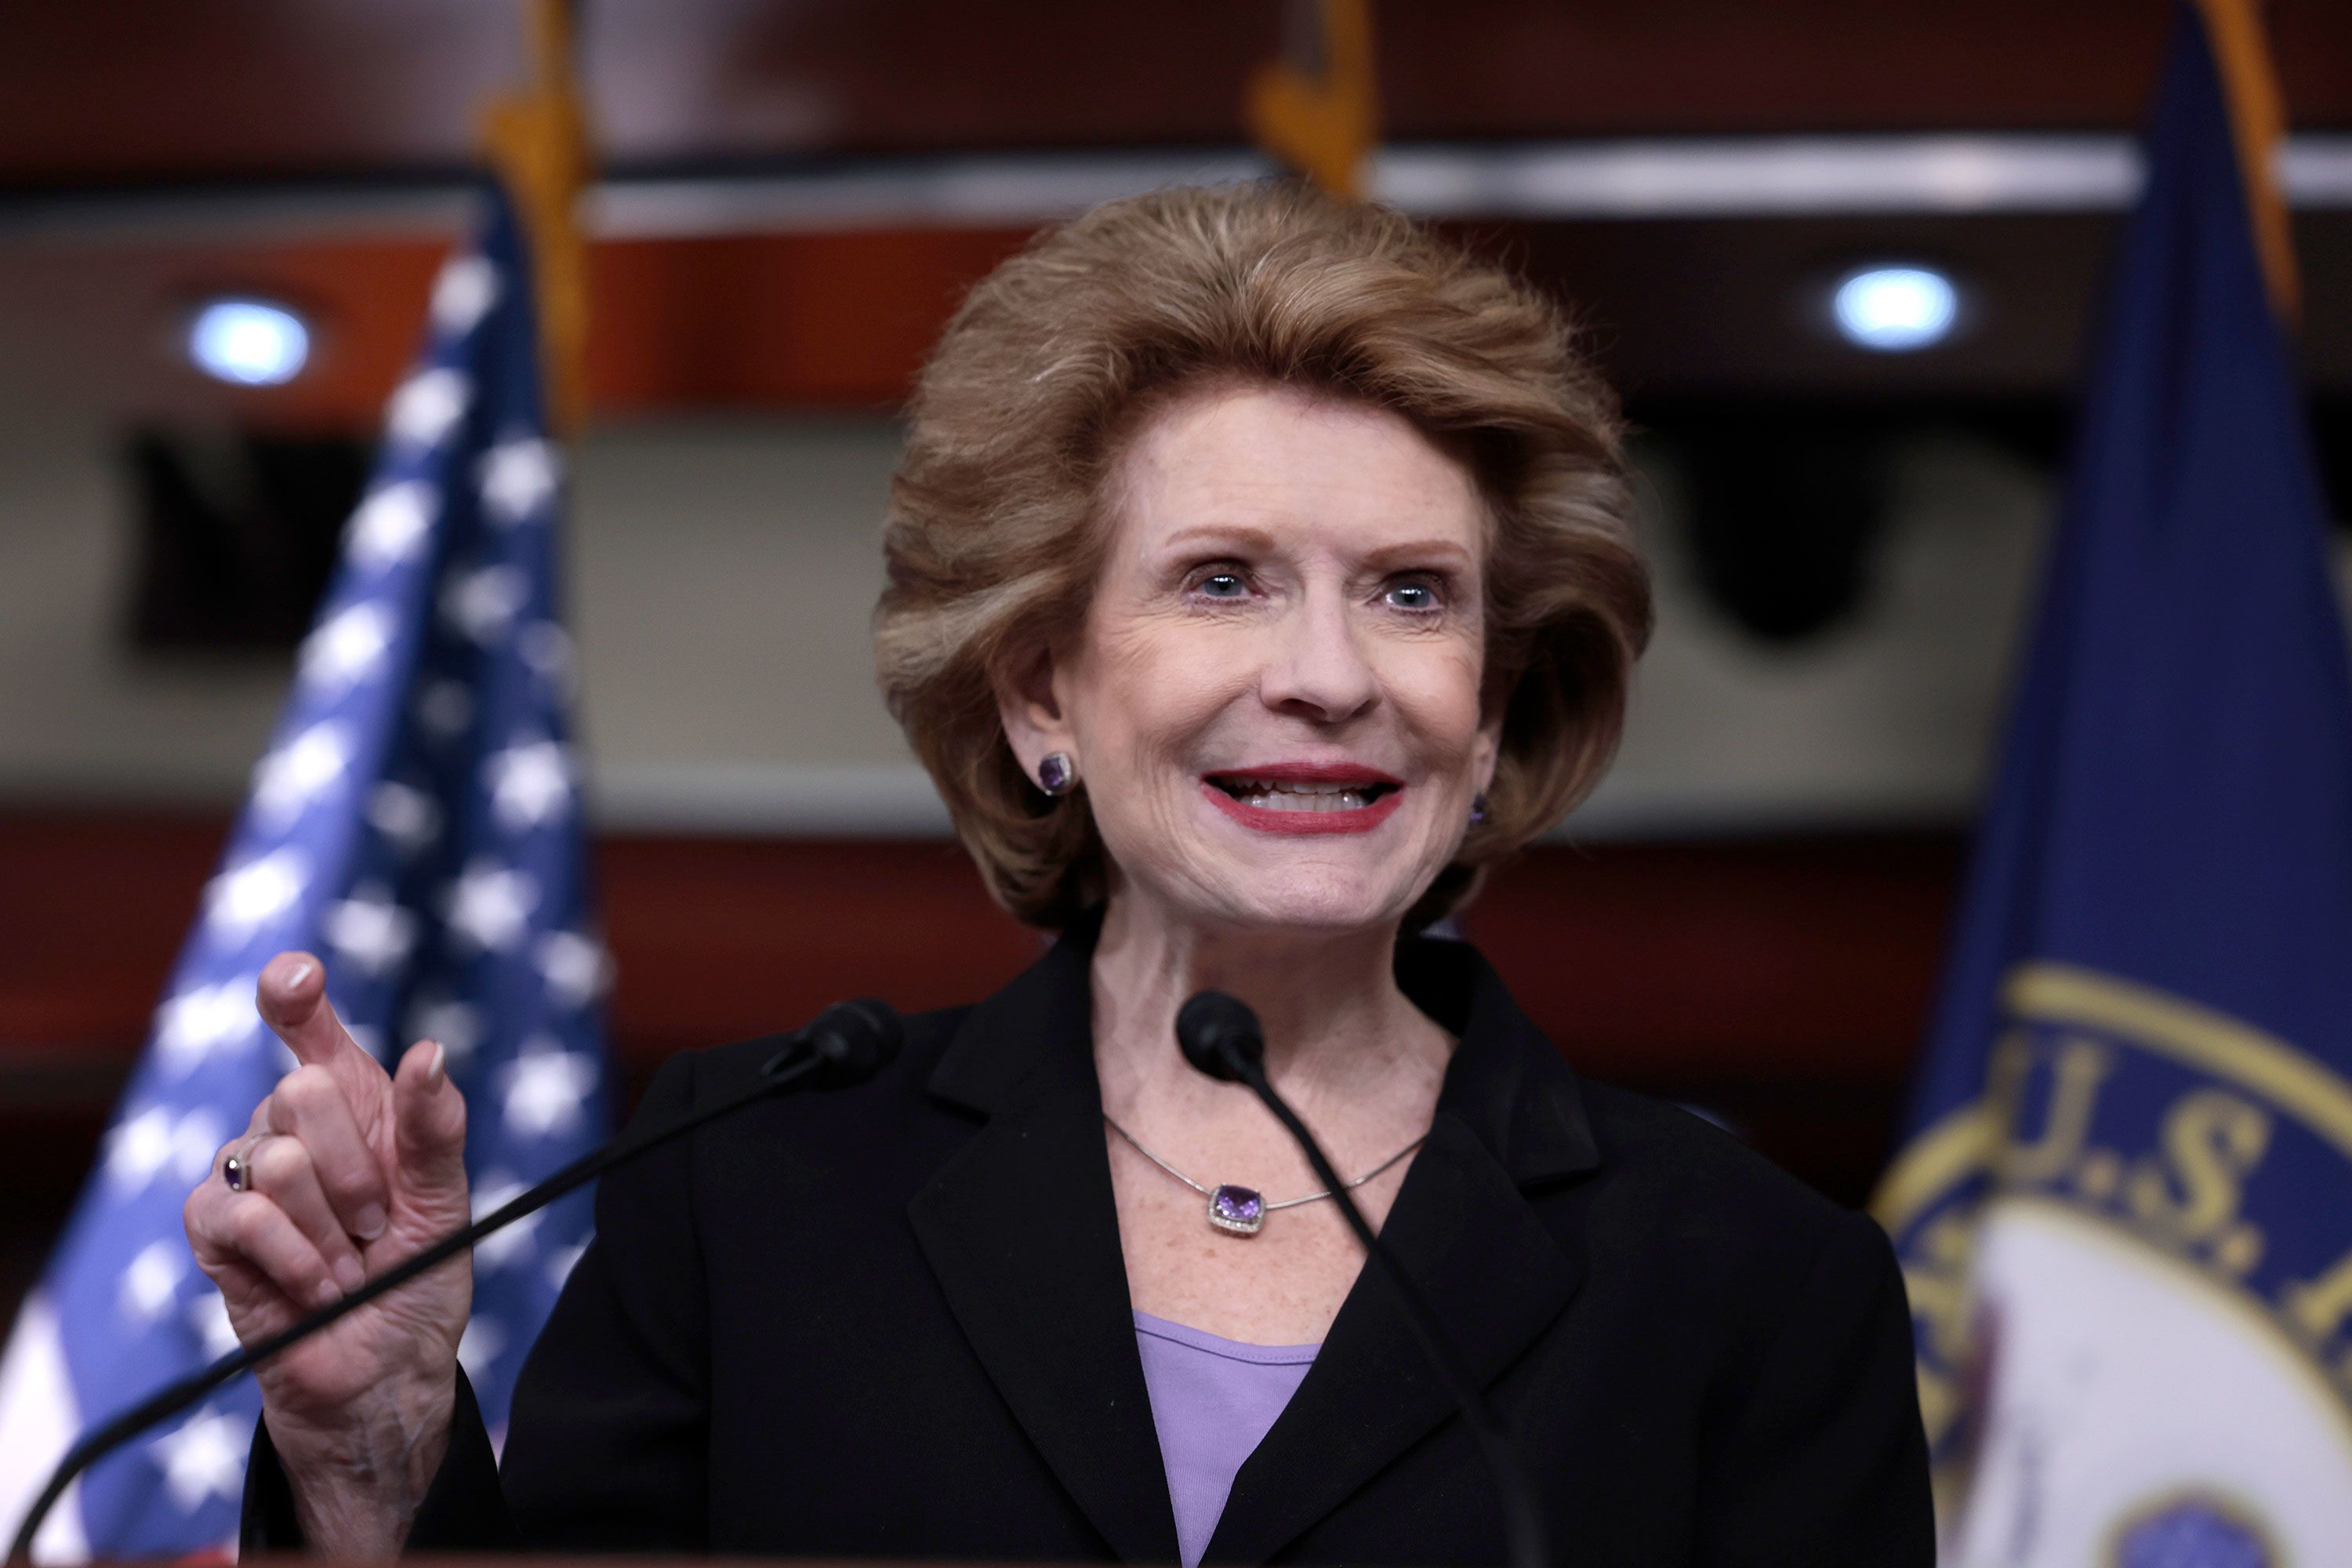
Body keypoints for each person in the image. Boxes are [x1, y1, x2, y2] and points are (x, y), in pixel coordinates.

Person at [185, 181, 1933, 1565]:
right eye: (1225, 579)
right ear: (1040, 694)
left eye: (1412, 593)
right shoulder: (753, 1191)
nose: (1332, 673)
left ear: (1488, 721)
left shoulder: (1751, 1284)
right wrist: (371, 1443)